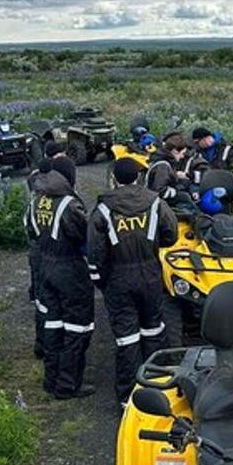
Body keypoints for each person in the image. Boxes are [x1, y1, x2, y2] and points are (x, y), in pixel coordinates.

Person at [88, 157, 179, 405]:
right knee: (153, 332)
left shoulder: (104, 209)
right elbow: (171, 236)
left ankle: (129, 398)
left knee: (127, 339)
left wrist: (101, 280)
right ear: (138, 178)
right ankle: (157, 389)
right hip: (150, 276)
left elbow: (95, 251)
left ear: (114, 179)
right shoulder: (155, 203)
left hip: (118, 279)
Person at [26, 156, 96, 398]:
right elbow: (85, 237)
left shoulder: (36, 199)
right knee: (77, 328)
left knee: (51, 325)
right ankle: (68, 385)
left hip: (44, 266)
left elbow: (30, 232)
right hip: (69, 270)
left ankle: (51, 379)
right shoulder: (69, 204)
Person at [146, 132, 195, 203]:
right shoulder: (163, 166)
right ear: (175, 151)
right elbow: (160, 191)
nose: (183, 156)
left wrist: (176, 176)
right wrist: (179, 188)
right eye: (182, 153)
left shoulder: (163, 161)